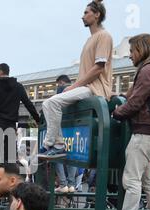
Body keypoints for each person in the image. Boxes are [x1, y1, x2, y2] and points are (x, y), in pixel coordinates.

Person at [106, 34, 150, 210]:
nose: (130, 55)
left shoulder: (148, 70)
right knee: (149, 178)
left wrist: (116, 113)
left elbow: (136, 102)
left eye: (132, 51)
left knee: (131, 179)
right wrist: (122, 97)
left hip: (144, 133)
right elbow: (135, 95)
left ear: (141, 49)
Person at [39, 0, 113, 160]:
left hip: (95, 88)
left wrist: (73, 86)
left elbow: (99, 67)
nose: (83, 16)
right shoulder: (90, 39)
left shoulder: (104, 36)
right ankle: (56, 144)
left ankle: (51, 144)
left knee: (51, 103)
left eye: (86, 13)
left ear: (97, 14)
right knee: (48, 103)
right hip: (87, 87)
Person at [0, 63, 41, 181]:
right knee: (10, 156)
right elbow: (28, 103)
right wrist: (37, 119)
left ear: (1, 71)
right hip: (11, 124)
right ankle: (10, 181)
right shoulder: (18, 86)